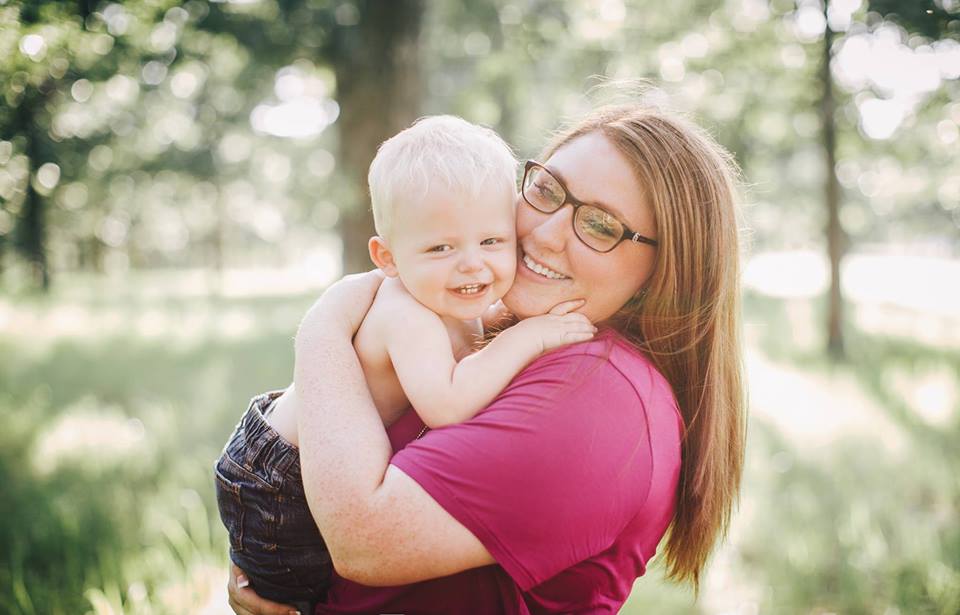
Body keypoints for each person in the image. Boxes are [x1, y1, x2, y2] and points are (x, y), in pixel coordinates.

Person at [227, 102, 746, 615]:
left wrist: (323, 326)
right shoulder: (512, 326)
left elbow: (362, 539)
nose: (543, 232)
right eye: (547, 190)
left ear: (668, 268)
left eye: (601, 225)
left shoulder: (603, 402)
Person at [214, 116, 596, 612]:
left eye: (491, 242)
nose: (472, 265)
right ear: (388, 257)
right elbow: (448, 403)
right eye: (441, 247)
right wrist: (531, 336)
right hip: (278, 477)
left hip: (289, 455)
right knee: (293, 603)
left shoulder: (447, 295)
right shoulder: (406, 314)